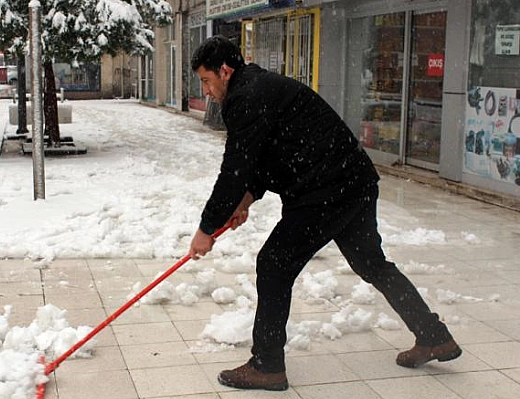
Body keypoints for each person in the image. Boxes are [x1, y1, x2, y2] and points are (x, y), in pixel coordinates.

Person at [187, 35, 461, 392]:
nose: (206, 90)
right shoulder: (258, 88)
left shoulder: (245, 97)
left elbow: (235, 168)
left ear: (225, 71)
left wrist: (207, 227)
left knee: (274, 263)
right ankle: (433, 336)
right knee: (371, 264)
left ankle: (267, 365)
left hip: (326, 190)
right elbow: (270, 156)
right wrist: (247, 198)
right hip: (354, 182)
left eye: (207, 81)